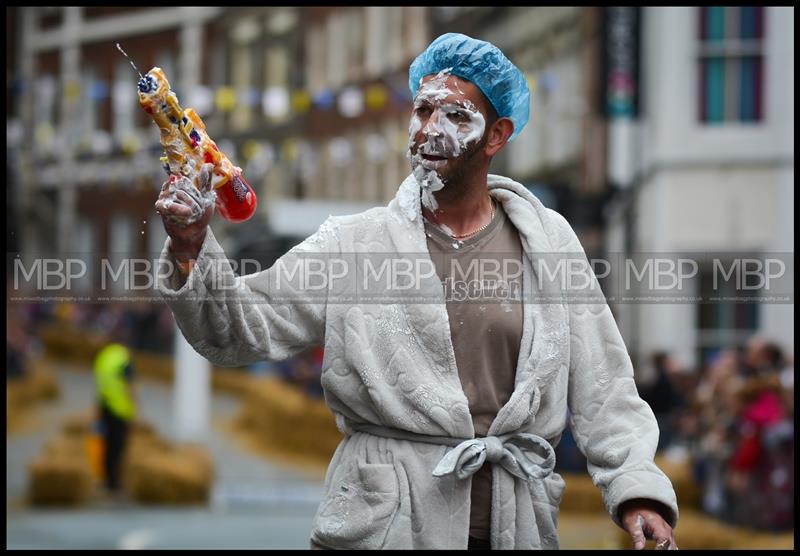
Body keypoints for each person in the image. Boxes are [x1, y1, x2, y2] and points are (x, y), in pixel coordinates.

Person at [154, 33, 678, 550]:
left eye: (454, 115)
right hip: (386, 526)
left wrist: (639, 492)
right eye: (423, 110)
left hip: (514, 526)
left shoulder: (548, 242)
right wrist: (191, 248)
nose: (429, 128)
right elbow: (238, 330)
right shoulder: (353, 245)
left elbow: (605, 386)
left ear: (496, 135)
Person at [93, 335, 136, 494]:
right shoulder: (123, 358)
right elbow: (129, 385)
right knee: (118, 448)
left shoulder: (103, 357)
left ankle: (106, 479)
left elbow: (99, 385)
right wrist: (134, 406)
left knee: (107, 445)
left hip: (105, 407)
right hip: (120, 409)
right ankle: (115, 483)